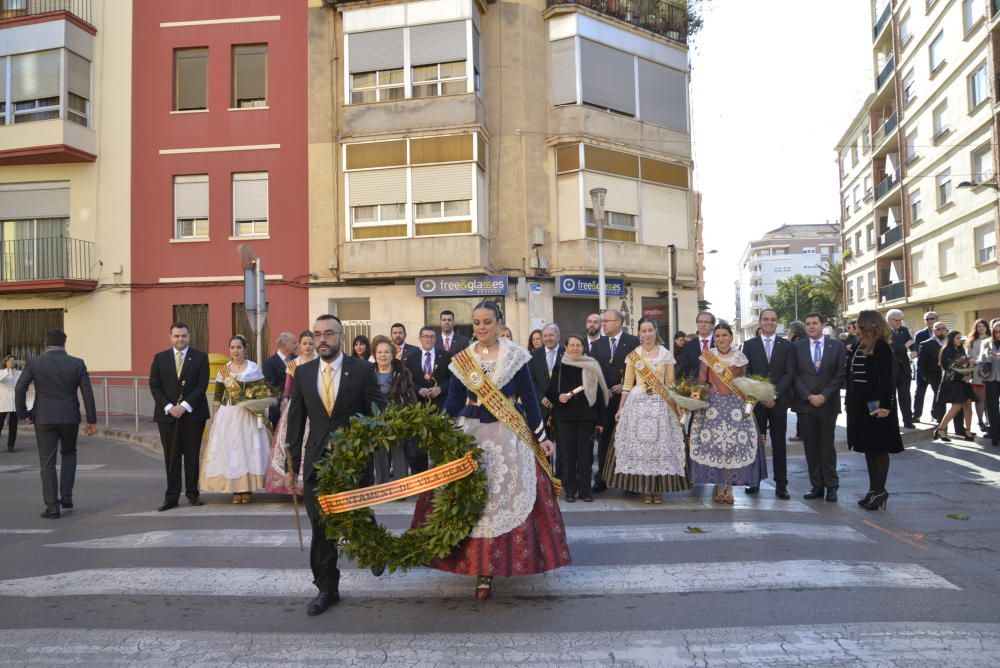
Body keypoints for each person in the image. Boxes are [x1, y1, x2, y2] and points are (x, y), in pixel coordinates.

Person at [410, 300, 569, 600]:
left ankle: (500, 561)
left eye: (487, 321)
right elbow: (453, 402)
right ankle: (480, 569)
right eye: (477, 322)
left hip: (507, 435)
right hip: (470, 434)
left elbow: (530, 400)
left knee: (503, 497)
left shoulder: (516, 357)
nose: (481, 327)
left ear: (498, 322)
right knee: (472, 500)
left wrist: (541, 436)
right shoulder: (462, 360)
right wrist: (441, 433)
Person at [285, 314, 386, 616]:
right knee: (321, 525)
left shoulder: (362, 370)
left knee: (356, 513)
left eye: (329, 334)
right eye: (317, 335)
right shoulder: (302, 373)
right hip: (317, 460)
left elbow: (377, 410)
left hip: (352, 459)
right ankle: (327, 588)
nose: (322, 340)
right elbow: (295, 421)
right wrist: (289, 465)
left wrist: (367, 438)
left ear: (341, 337)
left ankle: (374, 549)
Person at [604, 317, 688, 504]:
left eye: (650, 330)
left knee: (659, 447)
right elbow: (626, 385)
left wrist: (678, 406)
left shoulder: (665, 354)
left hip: (661, 405)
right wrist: (621, 409)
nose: (647, 334)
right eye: (644, 331)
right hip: (637, 405)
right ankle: (646, 488)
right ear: (639, 333)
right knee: (643, 447)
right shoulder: (633, 355)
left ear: (655, 332)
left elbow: (671, 383)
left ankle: (657, 489)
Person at [14, 330, 97, 519]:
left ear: (45, 343)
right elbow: (87, 393)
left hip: (44, 417)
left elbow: (20, 388)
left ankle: (52, 506)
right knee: (69, 454)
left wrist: (23, 413)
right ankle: (66, 497)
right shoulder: (77, 363)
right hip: (69, 417)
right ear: (65, 343)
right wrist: (91, 420)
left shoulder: (35, 362)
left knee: (47, 461)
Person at [689, 323, 766, 505]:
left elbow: (745, 383)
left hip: (735, 407)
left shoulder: (740, 357)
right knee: (716, 445)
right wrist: (707, 390)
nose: (721, 339)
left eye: (724, 335)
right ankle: (718, 486)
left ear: (731, 337)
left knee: (732, 446)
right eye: (718, 336)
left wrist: (748, 405)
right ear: (713, 338)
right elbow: (701, 382)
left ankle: (729, 488)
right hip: (713, 407)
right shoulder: (708, 356)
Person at [199, 335, 273, 504]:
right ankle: (235, 489)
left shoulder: (253, 368)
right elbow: (218, 395)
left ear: (244, 349)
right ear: (229, 349)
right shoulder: (224, 370)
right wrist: (215, 417)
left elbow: (261, 392)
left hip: (248, 416)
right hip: (228, 414)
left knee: (247, 449)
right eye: (232, 347)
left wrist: (260, 411)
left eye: (238, 347)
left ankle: (246, 489)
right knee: (231, 450)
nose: (235, 350)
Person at [149, 323, 211, 511]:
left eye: (183, 336)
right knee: (172, 457)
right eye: (176, 336)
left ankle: (193, 493)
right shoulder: (160, 358)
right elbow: (154, 385)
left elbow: (202, 385)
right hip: (167, 416)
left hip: (193, 415)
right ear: (170, 337)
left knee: (192, 456)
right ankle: (171, 497)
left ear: (189, 336)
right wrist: (169, 407)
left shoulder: (200, 357)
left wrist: (184, 406)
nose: (180, 339)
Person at [846, 310, 903, 511]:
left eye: (859, 322)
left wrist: (885, 406)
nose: (856, 325)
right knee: (869, 448)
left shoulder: (881, 347)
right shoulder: (859, 344)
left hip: (876, 404)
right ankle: (874, 489)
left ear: (869, 324)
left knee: (878, 447)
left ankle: (880, 490)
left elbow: (887, 380)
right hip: (860, 403)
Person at [740, 309, 796, 499]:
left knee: (779, 443)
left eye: (773, 319)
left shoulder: (787, 346)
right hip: (757, 403)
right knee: (756, 442)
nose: (769, 322)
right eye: (766, 319)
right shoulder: (749, 345)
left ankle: (782, 485)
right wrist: (760, 395)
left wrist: (774, 395)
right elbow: (746, 374)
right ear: (760, 322)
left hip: (778, 403)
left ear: (777, 322)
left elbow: (790, 373)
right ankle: (754, 481)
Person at [546, 334, 607, 503]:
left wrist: (601, 422)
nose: (574, 348)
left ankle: (586, 491)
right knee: (567, 455)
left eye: (578, 345)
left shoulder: (591, 366)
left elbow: (600, 396)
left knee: (585, 456)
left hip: (587, 418)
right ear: (566, 347)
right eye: (571, 345)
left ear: (583, 347)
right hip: (564, 418)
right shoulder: (559, 368)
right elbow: (550, 393)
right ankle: (570, 491)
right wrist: (559, 397)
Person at [792, 313, 847, 502]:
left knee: (827, 447)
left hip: (828, 404)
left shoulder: (837, 346)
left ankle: (831, 486)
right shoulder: (797, 347)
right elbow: (794, 374)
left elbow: (840, 374)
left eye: (815, 323)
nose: (811, 326)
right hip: (805, 404)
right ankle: (816, 485)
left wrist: (823, 395)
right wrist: (808, 396)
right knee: (811, 448)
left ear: (823, 325)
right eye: (807, 324)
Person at [588, 309, 639, 492]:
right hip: (605, 401)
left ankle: (629, 483)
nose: (603, 324)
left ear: (618, 322)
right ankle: (601, 478)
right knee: (604, 441)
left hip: (627, 400)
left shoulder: (633, 342)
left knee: (627, 441)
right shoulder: (597, 344)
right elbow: (592, 370)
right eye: (603, 321)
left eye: (607, 321)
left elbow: (639, 370)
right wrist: (603, 388)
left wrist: (624, 385)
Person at [265, 330, 317, 494]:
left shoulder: (320, 362)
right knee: (294, 442)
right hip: (296, 408)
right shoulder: (293, 364)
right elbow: (288, 389)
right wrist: (285, 403)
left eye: (310, 343)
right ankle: (295, 483)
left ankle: (312, 482)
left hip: (316, 408)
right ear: (299, 346)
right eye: (304, 343)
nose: (307, 346)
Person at [371, 335, 418, 483]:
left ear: (393, 354)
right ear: (374, 355)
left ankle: (400, 488)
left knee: (399, 454)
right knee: (379, 454)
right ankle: (381, 487)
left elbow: (411, 397)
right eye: (379, 352)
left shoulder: (403, 373)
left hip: (398, 420)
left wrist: (412, 416)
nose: (382, 355)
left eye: (386, 352)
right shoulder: (368, 373)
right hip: (376, 420)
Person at [405, 327, 451, 472]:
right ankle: (421, 480)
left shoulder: (446, 356)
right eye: (425, 336)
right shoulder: (411, 357)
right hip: (418, 408)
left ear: (435, 339)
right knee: (419, 447)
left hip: (440, 408)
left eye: (432, 337)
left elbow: (454, 380)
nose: (429, 339)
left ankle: (440, 479)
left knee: (439, 446)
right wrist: (418, 389)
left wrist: (440, 388)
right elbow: (406, 380)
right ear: (420, 339)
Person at [530, 324, 564, 473]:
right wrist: (541, 397)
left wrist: (556, 399)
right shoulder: (534, 355)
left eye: (552, 335)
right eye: (546, 336)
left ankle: (562, 476)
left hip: (562, 406)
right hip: (541, 407)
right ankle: (546, 476)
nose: (548, 338)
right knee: (543, 444)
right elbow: (530, 381)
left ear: (558, 336)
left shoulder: (567, 352)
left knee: (563, 445)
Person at [935, 330, 976, 442]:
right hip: (952, 382)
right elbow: (948, 368)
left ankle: (967, 430)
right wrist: (960, 376)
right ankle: (941, 429)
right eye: (957, 338)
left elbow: (966, 364)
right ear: (951, 338)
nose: (960, 340)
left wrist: (969, 374)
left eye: (960, 338)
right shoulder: (945, 350)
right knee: (956, 406)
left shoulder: (961, 349)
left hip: (964, 382)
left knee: (968, 405)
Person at [917, 322, 958, 430]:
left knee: (958, 400)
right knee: (941, 399)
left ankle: (959, 429)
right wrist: (927, 377)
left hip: (953, 376)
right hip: (935, 377)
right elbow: (921, 363)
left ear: (946, 330)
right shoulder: (925, 344)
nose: (941, 330)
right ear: (933, 331)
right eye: (938, 329)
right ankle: (941, 425)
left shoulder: (953, 343)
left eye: (943, 328)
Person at [885, 309, 915, 429]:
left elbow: (913, 342)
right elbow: (893, 347)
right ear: (889, 320)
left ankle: (908, 420)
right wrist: (906, 345)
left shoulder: (904, 330)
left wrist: (915, 350)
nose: (899, 322)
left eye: (901, 320)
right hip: (890, 370)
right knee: (891, 398)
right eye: (897, 320)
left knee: (905, 396)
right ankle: (893, 422)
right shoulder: (883, 332)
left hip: (904, 369)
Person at [262, 332, 297, 428]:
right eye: (294, 343)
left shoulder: (298, 360)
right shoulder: (270, 363)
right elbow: (271, 388)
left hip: (297, 407)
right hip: (279, 410)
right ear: (283, 345)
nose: (297, 345)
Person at [976, 319, 1000, 447]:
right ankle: (995, 436)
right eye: (996, 332)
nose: (998, 334)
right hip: (990, 380)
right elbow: (980, 361)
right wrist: (981, 372)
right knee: (992, 408)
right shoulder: (986, 343)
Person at [912, 311, 939, 422]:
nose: (929, 321)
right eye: (927, 319)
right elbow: (917, 350)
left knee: (937, 392)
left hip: (937, 369)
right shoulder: (920, 334)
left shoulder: (943, 332)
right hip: (922, 368)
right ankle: (917, 415)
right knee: (919, 392)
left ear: (937, 319)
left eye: (932, 318)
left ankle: (935, 414)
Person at [968, 319, 991, 433]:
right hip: (979, 373)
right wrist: (976, 361)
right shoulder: (973, 341)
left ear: (987, 327)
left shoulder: (993, 339)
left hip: (994, 372)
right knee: (980, 399)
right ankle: (981, 421)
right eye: (978, 326)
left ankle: (991, 421)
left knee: (990, 399)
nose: (981, 328)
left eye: (983, 326)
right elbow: (969, 357)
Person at [677, 312, 716, 379]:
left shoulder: (718, 344)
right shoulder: (688, 346)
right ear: (697, 324)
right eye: (700, 322)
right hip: (695, 387)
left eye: (706, 322)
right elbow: (684, 371)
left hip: (717, 387)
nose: (703, 325)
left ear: (712, 325)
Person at [786, 320, 807, 442]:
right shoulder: (802, 339)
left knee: (801, 410)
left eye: (791, 329)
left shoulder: (798, 342)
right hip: (803, 382)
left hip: (799, 382)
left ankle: (801, 434)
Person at [0, 355, 22, 452]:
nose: (12, 362)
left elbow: (26, 379)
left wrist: (25, 365)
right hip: (3, 402)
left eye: (14, 361)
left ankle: (11, 446)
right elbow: (2, 380)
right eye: (10, 361)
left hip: (14, 403)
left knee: (13, 426)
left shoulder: (18, 373)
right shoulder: (1, 372)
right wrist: (8, 370)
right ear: (6, 362)